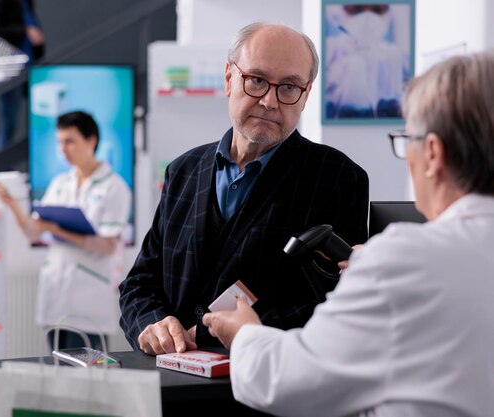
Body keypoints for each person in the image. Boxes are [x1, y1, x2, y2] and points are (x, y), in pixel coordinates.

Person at [202, 51, 494, 417]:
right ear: (230, 78)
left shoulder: (402, 256)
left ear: (432, 152)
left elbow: (289, 383)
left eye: (407, 139)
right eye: (257, 81)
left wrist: (246, 332)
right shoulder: (407, 261)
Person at [119, 22, 369, 355]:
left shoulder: (338, 179)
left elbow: (337, 305)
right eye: (257, 80)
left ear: (306, 95)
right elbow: (139, 283)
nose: (269, 101)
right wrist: (152, 323)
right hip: (170, 380)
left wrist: (216, 334)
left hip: (266, 386)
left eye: (290, 87)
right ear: (228, 79)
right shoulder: (184, 171)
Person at [0, 111, 131, 351]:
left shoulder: (114, 187)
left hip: (88, 298)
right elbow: (33, 233)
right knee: (58, 373)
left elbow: (107, 246)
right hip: (56, 295)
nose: (63, 149)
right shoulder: (59, 184)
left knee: (89, 378)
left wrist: (58, 230)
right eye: (60, 142)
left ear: (91, 141)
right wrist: (12, 204)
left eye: (70, 141)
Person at [0, 0, 45, 150]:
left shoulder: (27, 3)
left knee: (41, 117)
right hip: (10, 70)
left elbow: (34, 27)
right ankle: (1, 166)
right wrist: (25, 31)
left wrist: (37, 40)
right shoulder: (2, 3)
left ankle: (38, 159)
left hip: (30, 69)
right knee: (9, 123)